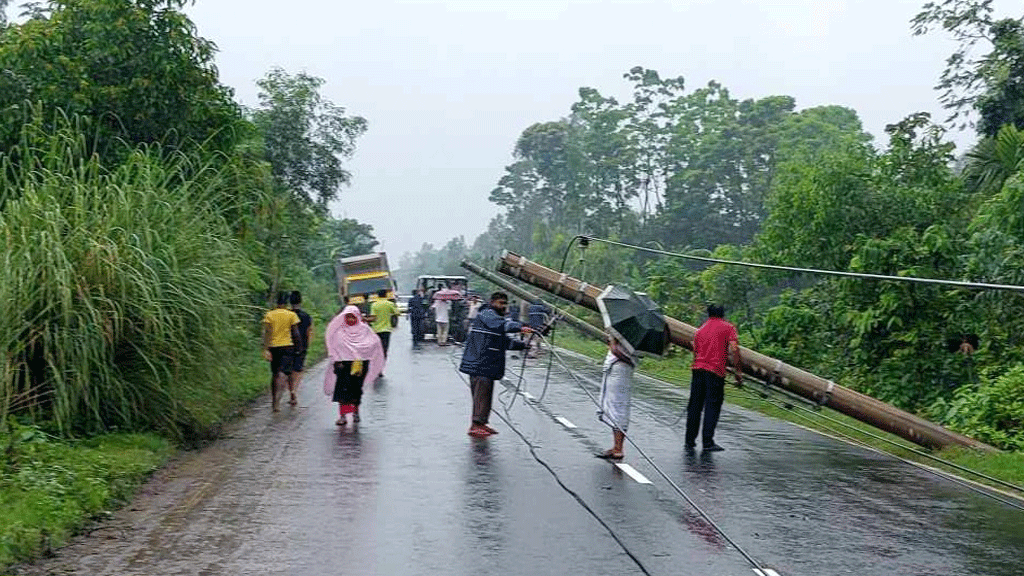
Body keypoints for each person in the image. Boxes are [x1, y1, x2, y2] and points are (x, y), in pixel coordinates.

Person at [458, 291, 533, 437]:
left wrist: (523, 345)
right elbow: (502, 325)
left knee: (486, 394)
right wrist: (521, 327)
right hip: (479, 363)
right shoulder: (487, 314)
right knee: (481, 394)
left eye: (505, 304)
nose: (504, 306)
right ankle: (476, 425)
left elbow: (502, 341)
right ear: (492, 302)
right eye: (501, 303)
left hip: (487, 365)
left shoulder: (495, 318)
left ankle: (482, 423)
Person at [685, 304, 743, 452]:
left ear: (708, 314)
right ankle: (708, 442)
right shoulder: (728, 327)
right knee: (712, 406)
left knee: (695, 406)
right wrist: (738, 371)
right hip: (715, 372)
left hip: (698, 370)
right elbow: (734, 348)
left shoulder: (700, 329)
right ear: (723, 314)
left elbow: (695, 350)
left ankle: (689, 441)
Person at [323, 305, 385, 426]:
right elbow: (334, 346)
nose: (350, 320)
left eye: (353, 317)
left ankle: (356, 412)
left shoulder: (365, 330)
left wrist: (361, 352)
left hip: (359, 364)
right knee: (342, 390)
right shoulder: (339, 331)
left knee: (356, 389)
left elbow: (373, 342)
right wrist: (337, 360)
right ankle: (343, 416)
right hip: (342, 364)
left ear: (357, 317)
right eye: (348, 317)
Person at [596, 334, 638, 460]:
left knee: (618, 407)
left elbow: (616, 351)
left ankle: (618, 448)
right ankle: (617, 446)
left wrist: (613, 343)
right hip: (621, 370)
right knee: (619, 406)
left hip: (619, 370)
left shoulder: (626, 333)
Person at [262, 292, 301, 412]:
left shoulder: (269, 315)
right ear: (286, 303)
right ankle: (278, 400)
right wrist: (299, 347)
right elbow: (295, 333)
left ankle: (274, 400)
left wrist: (265, 348)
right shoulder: (291, 315)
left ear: (276, 303)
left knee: (274, 374)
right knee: (283, 373)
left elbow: (267, 333)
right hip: (287, 346)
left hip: (274, 347)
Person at [287, 290, 313, 406]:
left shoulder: (286, 315)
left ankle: (291, 389)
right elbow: (309, 331)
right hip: (301, 345)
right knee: (298, 370)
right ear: (300, 301)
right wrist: (308, 343)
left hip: (287, 344)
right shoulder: (306, 316)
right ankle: (294, 391)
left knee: (289, 370)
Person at [368, 289, 399, 359]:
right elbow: (397, 313)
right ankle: (383, 360)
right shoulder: (389, 304)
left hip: (376, 330)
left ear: (377, 296)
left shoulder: (374, 305)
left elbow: (373, 318)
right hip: (386, 330)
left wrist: (365, 319)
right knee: (385, 347)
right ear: (386, 295)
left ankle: (377, 360)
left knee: (377, 347)